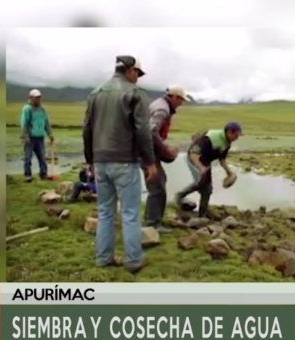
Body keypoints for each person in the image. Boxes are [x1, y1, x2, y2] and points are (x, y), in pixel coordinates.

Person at [83, 55, 157, 273]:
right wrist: (150, 162)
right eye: (138, 74)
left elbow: (86, 129)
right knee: (130, 213)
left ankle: (103, 258)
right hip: (125, 162)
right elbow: (143, 130)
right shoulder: (135, 93)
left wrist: (90, 160)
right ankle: (133, 260)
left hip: (100, 161)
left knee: (105, 211)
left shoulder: (95, 93)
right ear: (130, 71)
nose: (138, 79)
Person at [143, 86, 189, 234]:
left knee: (158, 182)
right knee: (157, 185)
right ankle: (152, 224)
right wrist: (164, 150)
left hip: (145, 149)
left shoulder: (159, 104)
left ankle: (152, 220)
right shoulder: (163, 109)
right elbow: (150, 131)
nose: (181, 103)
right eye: (181, 100)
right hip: (144, 151)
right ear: (174, 97)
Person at [174, 122, 242, 217]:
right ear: (230, 132)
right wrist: (201, 168)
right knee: (203, 185)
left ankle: (201, 214)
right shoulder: (211, 138)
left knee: (207, 188)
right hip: (194, 159)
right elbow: (194, 153)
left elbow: (222, 159)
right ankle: (179, 197)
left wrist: (229, 173)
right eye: (236, 135)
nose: (237, 138)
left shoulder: (227, 143)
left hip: (205, 161)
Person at [20, 89, 54, 182]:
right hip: (30, 137)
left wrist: (50, 134)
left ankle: (43, 174)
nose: (38, 99)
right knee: (28, 157)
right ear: (31, 98)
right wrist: (25, 136)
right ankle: (28, 175)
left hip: (40, 137)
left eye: (39, 97)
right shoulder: (27, 109)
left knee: (42, 157)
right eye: (36, 98)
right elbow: (24, 123)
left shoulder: (42, 109)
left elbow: (46, 122)